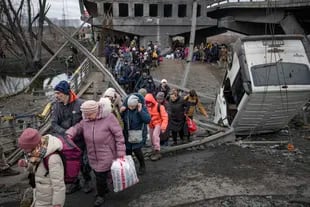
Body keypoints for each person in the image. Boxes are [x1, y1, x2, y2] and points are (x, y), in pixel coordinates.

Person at [66, 100, 126, 207]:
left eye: (90, 114)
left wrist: (121, 152)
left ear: (97, 110)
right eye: (86, 114)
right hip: (92, 154)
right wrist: (69, 134)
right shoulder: (86, 119)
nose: (88, 117)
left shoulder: (109, 118)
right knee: (98, 173)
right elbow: (77, 127)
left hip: (106, 153)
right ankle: (105, 188)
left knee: (100, 176)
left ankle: (101, 195)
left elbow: (119, 135)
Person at [51, 80, 92, 194]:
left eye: (59, 94)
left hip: (80, 139)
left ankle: (87, 180)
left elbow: (87, 122)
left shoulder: (81, 104)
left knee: (84, 162)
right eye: (56, 93)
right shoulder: (56, 106)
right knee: (69, 163)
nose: (57, 96)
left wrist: (77, 133)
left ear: (67, 93)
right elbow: (54, 123)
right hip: (65, 141)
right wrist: (65, 133)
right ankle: (75, 183)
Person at [18, 128, 65, 207]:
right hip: (40, 196)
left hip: (49, 201)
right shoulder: (37, 154)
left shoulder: (53, 159)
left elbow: (59, 185)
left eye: (25, 148)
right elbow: (36, 169)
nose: (24, 150)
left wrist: (57, 203)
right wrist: (27, 165)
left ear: (33, 145)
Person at [120, 94, 151, 175]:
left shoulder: (142, 108)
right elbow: (120, 119)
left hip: (137, 133)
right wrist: (121, 112)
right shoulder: (126, 108)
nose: (131, 108)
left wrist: (141, 111)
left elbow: (147, 120)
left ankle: (142, 165)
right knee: (128, 151)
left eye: (133, 107)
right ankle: (130, 167)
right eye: (130, 106)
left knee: (137, 150)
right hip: (127, 133)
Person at [144, 93, 168, 161]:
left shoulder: (160, 106)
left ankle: (157, 151)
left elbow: (165, 117)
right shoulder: (146, 107)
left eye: (149, 102)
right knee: (151, 138)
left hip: (158, 123)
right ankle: (153, 150)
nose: (148, 104)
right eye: (147, 103)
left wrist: (163, 127)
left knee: (155, 136)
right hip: (151, 124)